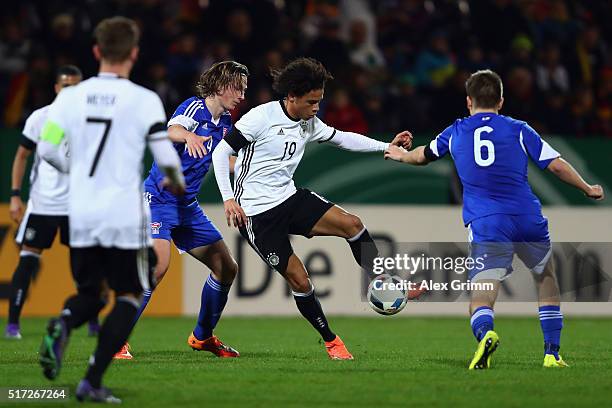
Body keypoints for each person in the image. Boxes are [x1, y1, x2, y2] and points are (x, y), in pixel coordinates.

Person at [384, 69, 604, 369]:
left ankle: (486, 334)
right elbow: (555, 164)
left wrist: (398, 155)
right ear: (500, 101)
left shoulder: (457, 130)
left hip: (487, 222)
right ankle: (552, 353)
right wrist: (587, 187)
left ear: (468, 101)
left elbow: (423, 155)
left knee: (483, 292)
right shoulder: (518, 128)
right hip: (526, 216)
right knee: (546, 278)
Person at [212, 57, 412, 360]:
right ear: (291, 97)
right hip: (256, 212)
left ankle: (380, 281)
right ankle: (331, 341)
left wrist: (386, 147)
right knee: (300, 280)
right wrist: (228, 199)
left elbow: (341, 138)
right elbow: (222, 151)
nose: (316, 107)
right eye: (311, 102)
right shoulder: (260, 118)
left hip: (289, 198)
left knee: (352, 224)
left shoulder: (309, 121)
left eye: (320, 100)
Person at [37, 16, 184, 402]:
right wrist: (177, 180)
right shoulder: (144, 99)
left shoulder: (68, 98)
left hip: (81, 211)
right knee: (129, 296)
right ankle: (91, 380)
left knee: (90, 294)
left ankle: (64, 323)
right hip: (123, 214)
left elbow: (48, 147)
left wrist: (78, 172)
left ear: (97, 51)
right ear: (134, 54)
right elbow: (165, 154)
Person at [126, 60, 249, 359]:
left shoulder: (225, 123)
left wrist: (252, 168)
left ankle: (203, 337)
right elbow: (172, 129)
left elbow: (224, 160)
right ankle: (116, 337)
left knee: (226, 268)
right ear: (221, 86)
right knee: (158, 266)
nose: (243, 95)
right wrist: (189, 136)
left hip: (187, 206)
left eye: (245, 89)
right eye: (239, 88)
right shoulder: (195, 108)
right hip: (158, 200)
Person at [5, 65, 103, 340]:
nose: (70, 91)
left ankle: (92, 320)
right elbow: (24, 155)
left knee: (85, 265)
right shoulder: (42, 118)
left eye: (75, 85)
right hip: (44, 203)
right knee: (28, 259)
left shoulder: (91, 119)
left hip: (78, 204)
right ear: (56, 89)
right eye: (65, 85)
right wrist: (15, 196)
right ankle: (13, 324)